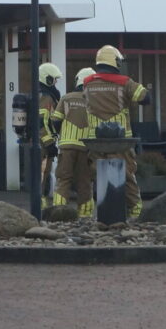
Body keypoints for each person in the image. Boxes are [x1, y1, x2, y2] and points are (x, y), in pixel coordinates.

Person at [82, 45, 151, 219]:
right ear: (115, 62)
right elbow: (145, 98)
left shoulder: (87, 83)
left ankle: (101, 214)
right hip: (121, 141)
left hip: (95, 141)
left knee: (97, 175)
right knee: (127, 176)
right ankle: (135, 211)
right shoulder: (124, 82)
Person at [51, 67, 95, 218]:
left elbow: (56, 120)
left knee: (63, 178)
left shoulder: (66, 98)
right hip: (86, 147)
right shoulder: (94, 101)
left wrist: (61, 132)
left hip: (67, 146)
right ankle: (85, 214)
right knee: (85, 182)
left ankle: (59, 212)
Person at [37, 62, 63, 209]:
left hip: (47, 143)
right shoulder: (45, 97)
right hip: (43, 144)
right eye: (54, 79)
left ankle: (43, 203)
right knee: (42, 174)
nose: (56, 83)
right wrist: (49, 143)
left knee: (45, 174)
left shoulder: (48, 96)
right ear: (47, 79)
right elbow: (41, 122)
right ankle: (40, 205)